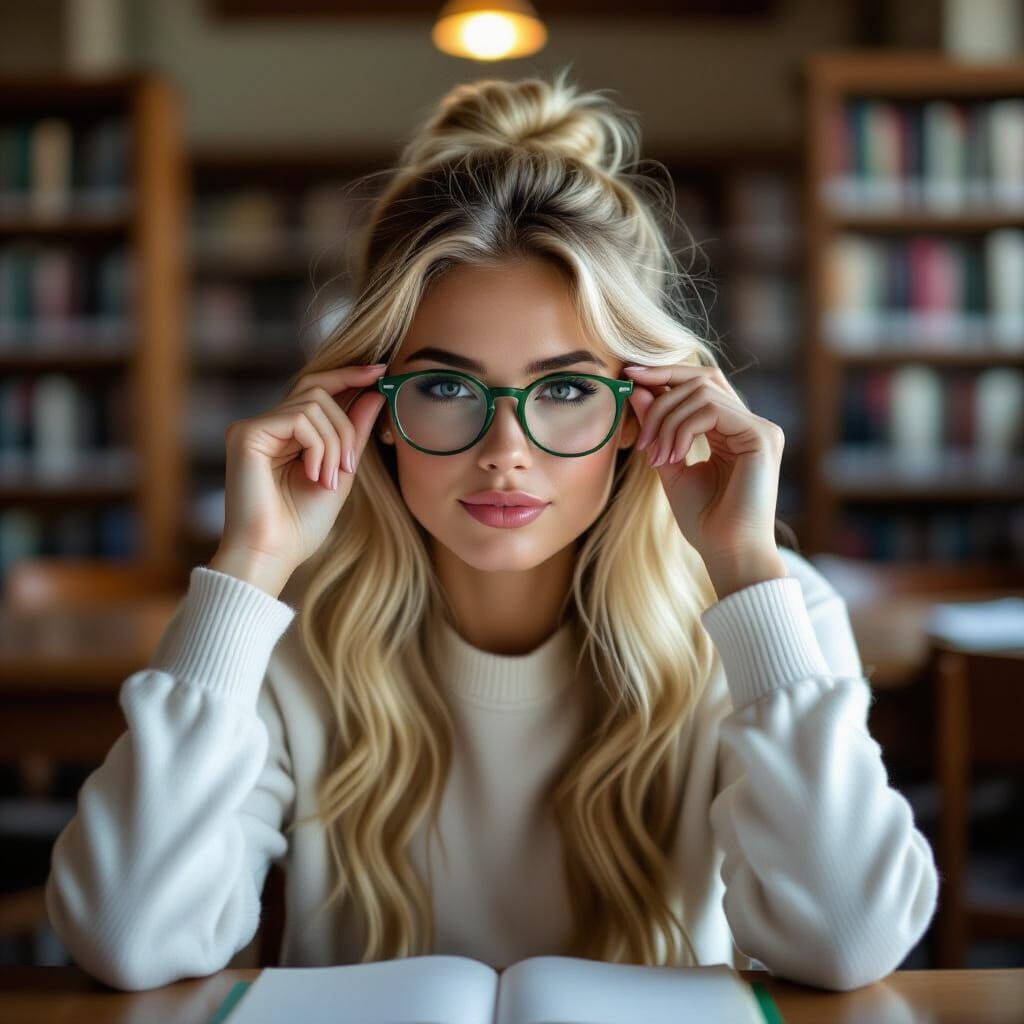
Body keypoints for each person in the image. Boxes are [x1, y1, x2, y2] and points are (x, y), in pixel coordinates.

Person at [44, 67, 938, 993]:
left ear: (644, 411)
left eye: (565, 390)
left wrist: (749, 571)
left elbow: (848, 942)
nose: (506, 453)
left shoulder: (768, 611)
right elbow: (127, 936)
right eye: (442, 386)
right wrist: (251, 564)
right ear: (371, 408)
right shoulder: (276, 623)